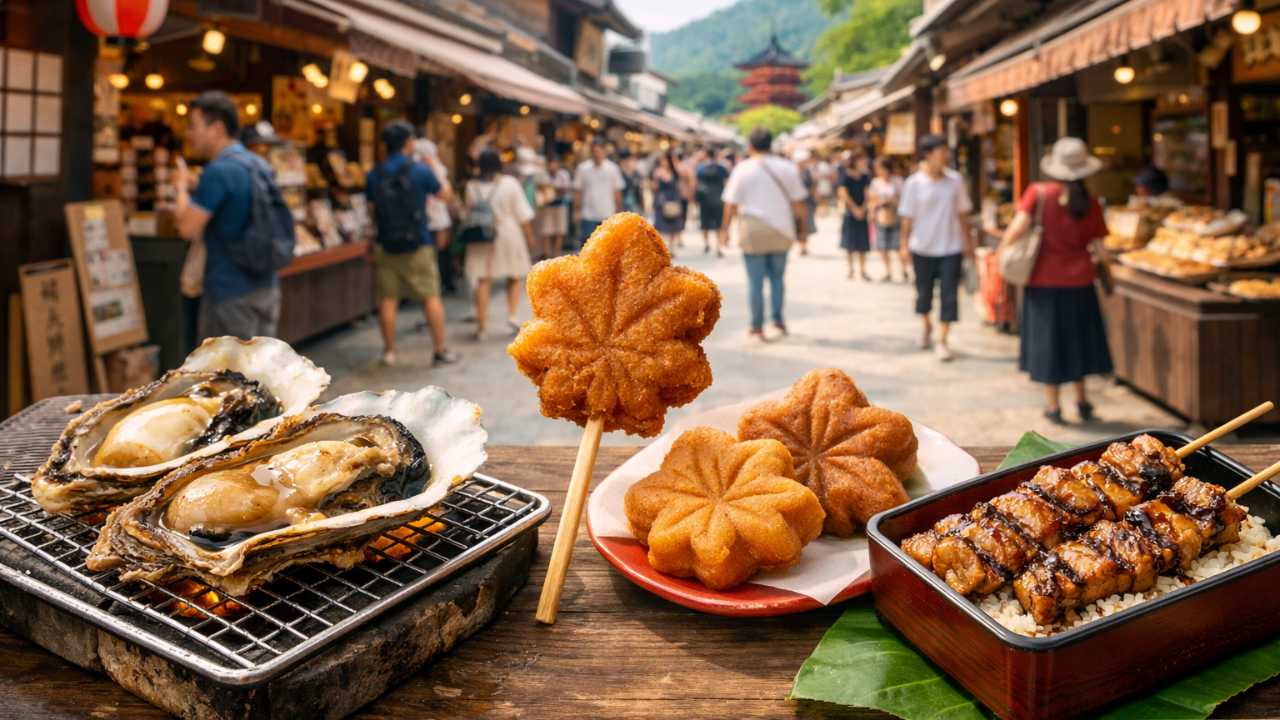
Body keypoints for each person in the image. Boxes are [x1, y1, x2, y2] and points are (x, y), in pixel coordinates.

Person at [999, 137, 1113, 424]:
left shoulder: (1038, 194)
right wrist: (1109, 273)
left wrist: (1002, 251)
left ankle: (1053, 407)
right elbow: (1101, 248)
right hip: (1081, 284)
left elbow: (1016, 229)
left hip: (1043, 284)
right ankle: (1082, 401)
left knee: (1049, 344)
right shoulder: (1091, 203)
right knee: (1078, 342)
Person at [175, 91, 285, 341]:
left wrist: (180, 187)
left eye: (193, 125)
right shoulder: (258, 164)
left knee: (227, 367)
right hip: (267, 287)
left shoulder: (218, 172)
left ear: (217, 128)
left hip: (229, 294)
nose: (189, 133)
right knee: (261, 364)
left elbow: (186, 228)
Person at [365, 120, 459, 368]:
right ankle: (440, 350)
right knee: (430, 297)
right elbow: (445, 195)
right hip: (419, 243)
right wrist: (434, 168)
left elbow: (371, 211)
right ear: (408, 143)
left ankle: (389, 352)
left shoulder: (375, 173)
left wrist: (372, 241)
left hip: (386, 244)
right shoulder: (420, 170)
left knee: (387, 299)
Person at [720, 127, 808, 341]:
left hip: (753, 229)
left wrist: (725, 230)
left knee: (755, 281)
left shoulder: (742, 169)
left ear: (750, 146)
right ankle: (778, 320)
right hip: (782, 228)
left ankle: (757, 326)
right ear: (771, 145)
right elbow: (799, 204)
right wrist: (803, 230)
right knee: (778, 278)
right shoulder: (787, 167)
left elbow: (730, 204)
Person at [898, 134, 974, 362]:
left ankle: (943, 340)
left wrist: (968, 243)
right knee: (923, 294)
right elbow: (907, 218)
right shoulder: (914, 183)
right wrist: (903, 245)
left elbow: (963, 215)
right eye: (942, 151)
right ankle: (926, 326)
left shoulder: (955, 181)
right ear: (928, 154)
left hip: (951, 247)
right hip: (922, 247)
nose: (946, 156)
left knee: (949, 296)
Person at [464, 148, 535, 340]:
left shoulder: (471, 186)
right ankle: (512, 315)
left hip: (480, 235)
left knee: (482, 279)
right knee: (514, 275)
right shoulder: (510, 183)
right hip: (507, 232)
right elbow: (523, 214)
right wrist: (530, 236)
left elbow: (469, 211)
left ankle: (482, 327)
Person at [573, 138, 624, 249]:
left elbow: (617, 191)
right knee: (589, 246)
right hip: (588, 214)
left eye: (599, 151)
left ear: (604, 151)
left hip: (607, 213)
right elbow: (578, 191)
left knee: (607, 247)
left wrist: (619, 211)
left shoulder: (613, 169)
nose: (597, 154)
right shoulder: (582, 169)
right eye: (594, 151)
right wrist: (576, 210)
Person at [868, 157, 906, 282]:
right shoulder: (876, 182)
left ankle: (903, 270)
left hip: (896, 215)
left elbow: (904, 199)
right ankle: (888, 271)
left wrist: (893, 201)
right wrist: (875, 209)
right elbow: (871, 199)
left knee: (898, 245)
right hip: (881, 215)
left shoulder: (898, 181)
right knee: (882, 246)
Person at [838, 152, 872, 280]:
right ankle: (851, 269)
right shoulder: (846, 175)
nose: (863, 162)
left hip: (862, 212)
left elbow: (868, 193)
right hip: (850, 212)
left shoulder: (865, 176)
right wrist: (854, 208)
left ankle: (863, 270)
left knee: (863, 244)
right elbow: (843, 193)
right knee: (850, 243)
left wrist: (863, 208)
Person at [535, 155, 572, 259]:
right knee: (546, 230)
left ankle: (556, 253)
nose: (552, 166)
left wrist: (551, 190)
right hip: (547, 206)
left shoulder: (563, 174)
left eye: (554, 163)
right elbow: (541, 191)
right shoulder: (542, 175)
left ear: (558, 164)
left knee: (559, 230)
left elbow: (564, 189)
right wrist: (553, 190)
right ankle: (546, 253)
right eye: (550, 164)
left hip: (560, 205)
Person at [695, 149, 730, 256]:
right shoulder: (721, 168)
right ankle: (718, 247)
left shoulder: (701, 168)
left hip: (704, 198)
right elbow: (726, 182)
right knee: (718, 223)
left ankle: (706, 244)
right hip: (718, 197)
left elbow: (697, 183)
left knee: (704, 222)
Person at [651, 151, 686, 251]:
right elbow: (654, 187)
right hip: (662, 200)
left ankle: (671, 247)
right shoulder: (657, 172)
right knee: (660, 225)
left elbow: (680, 184)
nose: (663, 162)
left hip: (673, 199)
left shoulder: (675, 172)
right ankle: (662, 247)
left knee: (673, 224)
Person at [618, 148, 646, 215]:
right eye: (624, 160)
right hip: (624, 205)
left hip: (636, 204)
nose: (626, 162)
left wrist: (642, 205)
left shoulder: (636, 173)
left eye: (628, 160)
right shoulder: (618, 173)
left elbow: (640, 189)